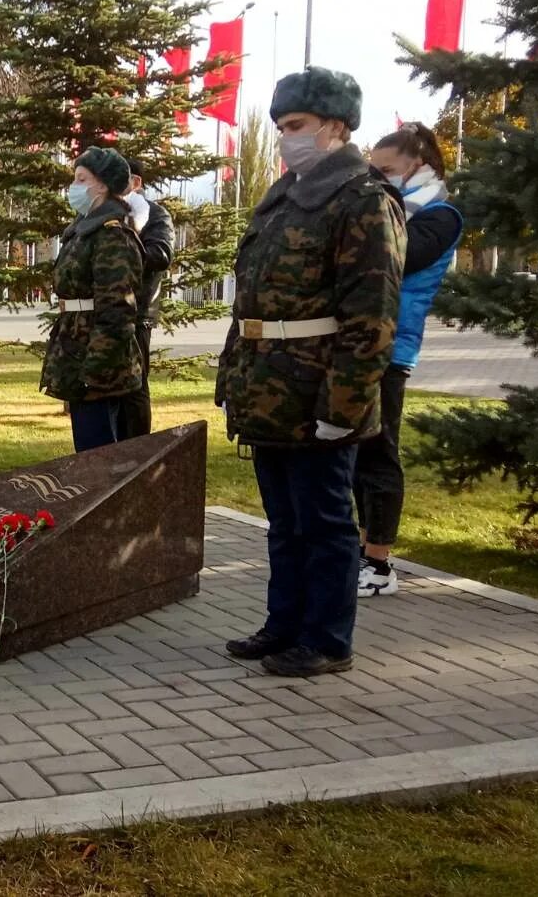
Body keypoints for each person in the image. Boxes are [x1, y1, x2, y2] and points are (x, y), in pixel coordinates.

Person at [216, 68, 405, 678]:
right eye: (279, 127)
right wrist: (232, 375)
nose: (284, 138)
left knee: (324, 522)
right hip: (270, 390)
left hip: (319, 392)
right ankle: (284, 624)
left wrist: (343, 407)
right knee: (285, 521)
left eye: (294, 126)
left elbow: (370, 317)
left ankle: (326, 638)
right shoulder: (282, 198)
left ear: (335, 126)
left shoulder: (363, 200)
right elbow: (251, 303)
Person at [353, 123, 463, 597]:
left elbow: (396, 256)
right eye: (371, 172)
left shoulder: (440, 217)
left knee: (379, 452)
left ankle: (380, 565)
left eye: (387, 172)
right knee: (355, 451)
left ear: (420, 167)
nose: (378, 181)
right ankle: (360, 552)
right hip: (359, 342)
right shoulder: (397, 209)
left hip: (393, 347)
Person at [41, 147, 145, 452]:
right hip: (78, 351)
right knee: (87, 450)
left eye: (81, 179)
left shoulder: (112, 235)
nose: (74, 188)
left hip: (99, 364)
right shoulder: (84, 231)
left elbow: (117, 310)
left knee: (98, 455)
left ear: (101, 185)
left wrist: (95, 370)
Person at [117, 158, 176, 440]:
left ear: (136, 182)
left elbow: (161, 255)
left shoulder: (156, 215)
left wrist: (124, 245)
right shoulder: (107, 212)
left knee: (135, 386)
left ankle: (138, 449)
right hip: (106, 311)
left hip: (137, 313)